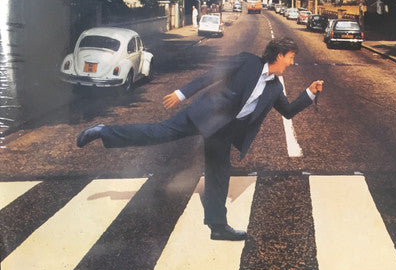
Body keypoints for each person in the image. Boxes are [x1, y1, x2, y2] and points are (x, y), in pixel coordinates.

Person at [76, 37, 323, 241]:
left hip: (224, 130)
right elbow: (213, 74)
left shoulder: (275, 87)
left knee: (219, 174)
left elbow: (288, 111)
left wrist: (309, 93)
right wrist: (182, 93)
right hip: (204, 115)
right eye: (291, 57)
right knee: (158, 132)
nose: (292, 62)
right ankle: (103, 131)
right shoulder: (248, 62)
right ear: (279, 55)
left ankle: (218, 227)